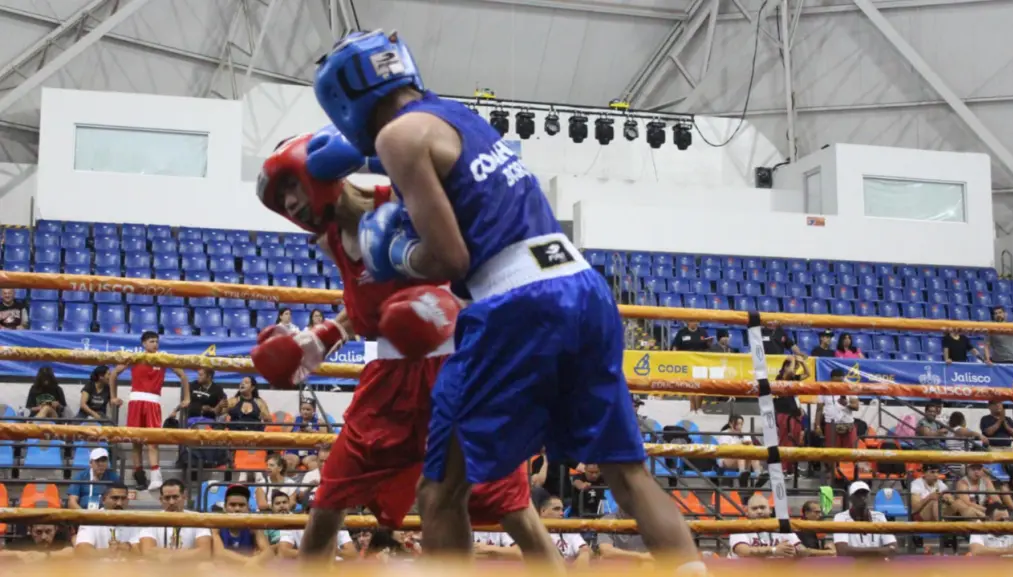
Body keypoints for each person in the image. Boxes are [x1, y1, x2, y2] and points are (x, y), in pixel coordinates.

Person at [312, 29, 705, 572]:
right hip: (583, 287)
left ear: (342, 100)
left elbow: (449, 257)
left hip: (516, 303)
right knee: (627, 473)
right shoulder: (455, 116)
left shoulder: (395, 139)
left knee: (440, 493)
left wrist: (394, 254)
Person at [251, 128, 555, 564]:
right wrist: (320, 340)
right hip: (388, 382)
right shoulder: (332, 238)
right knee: (328, 502)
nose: (291, 205)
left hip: (456, 366)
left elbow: (470, 255)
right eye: (282, 201)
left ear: (316, 171)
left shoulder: (394, 196)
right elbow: (368, 309)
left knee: (511, 506)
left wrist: (448, 304)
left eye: (291, 187)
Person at [109, 331, 190, 490]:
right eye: (152, 341)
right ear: (144, 344)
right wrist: (113, 396)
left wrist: (187, 398)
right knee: (136, 442)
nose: (155, 344)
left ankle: (156, 476)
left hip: (153, 403)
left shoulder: (164, 358)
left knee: (153, 441)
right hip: (136, 402)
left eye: (156, 341)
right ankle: (139, 476)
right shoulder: (135, 357)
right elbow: (113, 374)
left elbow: (184, 376)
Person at [727, 493, 805, 558]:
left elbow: (801, 549)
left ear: (770, 510)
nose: (759, 511)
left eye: (762, 507)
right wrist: (774, 550)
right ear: (747, 511)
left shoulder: (781, 526)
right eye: (754, 509)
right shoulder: (740, 527)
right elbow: (743, 551)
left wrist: (795, 550)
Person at [832, 481, 896, 557]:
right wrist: (880, 551)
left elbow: (893, 548)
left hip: (876, 566)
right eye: (858, 494)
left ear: (869, 497)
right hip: (852, 566)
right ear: (850, 499)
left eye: (865, 494)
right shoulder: (840, 518)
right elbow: (842, 551)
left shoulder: (880, 516)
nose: (862, 497)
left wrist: (857, 552)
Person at [213, 485, 273, 564]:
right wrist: (250, 561)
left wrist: (253, 561)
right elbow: (219, 553)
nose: (237, 509)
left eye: (241, 505)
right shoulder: (217, 525)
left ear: (248, 508)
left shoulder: (253, 526)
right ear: (224, 507)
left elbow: (269, 553)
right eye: (232, 505)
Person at [73, 482, 137, 557]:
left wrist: (129, 547)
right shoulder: (90, 520)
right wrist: (110, 552)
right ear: (103, 500)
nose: (119, 503)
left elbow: (141, 551)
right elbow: (82, 550)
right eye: (115, 498)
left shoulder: (136, 521)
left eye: (123, 499)